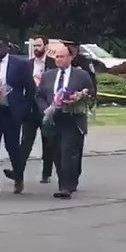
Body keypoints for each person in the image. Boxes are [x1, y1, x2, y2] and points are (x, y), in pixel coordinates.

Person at [0, 36, 36, 196]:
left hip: (11, 112)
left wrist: (24, 109)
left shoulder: (20, 64)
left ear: (7, 47)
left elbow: (31, 89)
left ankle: (18, 178)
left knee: (13, 147)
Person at [37, 44, 93, 200]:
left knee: (68, 151)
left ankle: (66, 186)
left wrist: (80, 97)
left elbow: (91, 94)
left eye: (62, 56)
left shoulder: (81, 76)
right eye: (57, 57)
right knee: (57, 152)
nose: (58, 59)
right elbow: (39, 95)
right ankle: (66, 181)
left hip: (72, 119)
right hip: (53, 120)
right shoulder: (48, 75)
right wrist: (46, 109)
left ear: (70, 58)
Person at [14, 35, 56, 184]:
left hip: (46, 108)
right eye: (34, 46)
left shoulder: (53, 64)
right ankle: (18, 171)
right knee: (25, 141)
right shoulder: (27, 64)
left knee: (48, 142)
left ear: (46, 46)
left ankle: (46, 173)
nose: (36, 48)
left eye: (39, 45)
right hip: (30, 108)